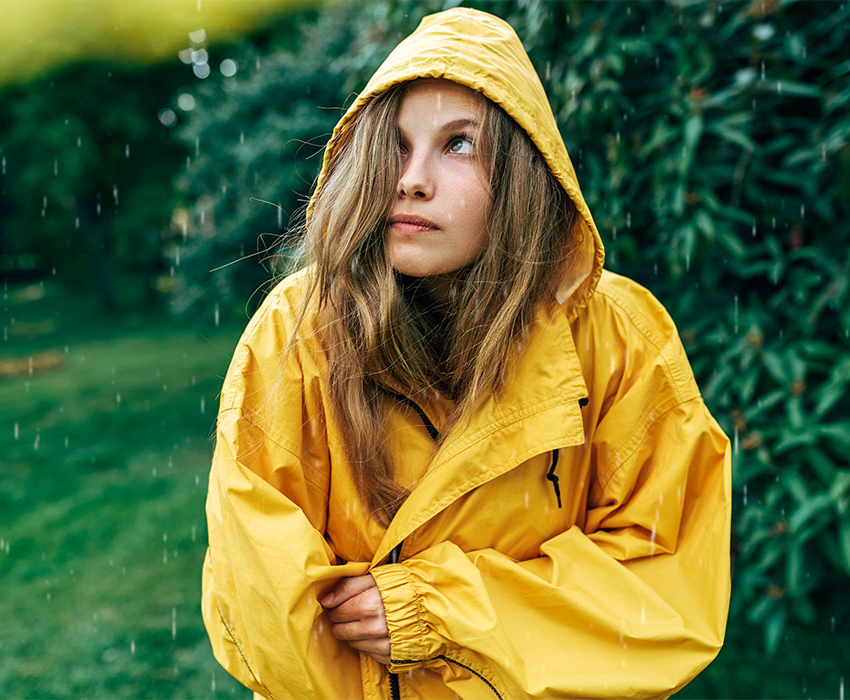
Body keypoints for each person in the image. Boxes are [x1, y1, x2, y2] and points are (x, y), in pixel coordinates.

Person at [201, 7, 731, 700]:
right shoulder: (295, 333)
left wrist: (440, 611)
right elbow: (262, 605)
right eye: (394, 145)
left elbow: (663, 593)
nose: (410, 179)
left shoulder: (616, 333)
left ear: (521, 177)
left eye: (458, 145)